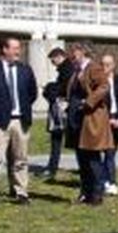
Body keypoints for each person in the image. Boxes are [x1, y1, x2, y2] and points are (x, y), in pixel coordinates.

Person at [0, 36, 39, 207]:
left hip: (20, 121)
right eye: (15, 48)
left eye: (19, 48)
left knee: (21, 159)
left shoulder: (25, 70)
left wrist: (22, 110)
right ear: (4, 49)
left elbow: (32, 94)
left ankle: (20, 192)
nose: (18, 51)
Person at [73, 49, 113, 205]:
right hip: (79, 120)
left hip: (92, 118)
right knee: (83, 158)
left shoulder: (94, 68)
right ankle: (86, 193)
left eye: (74, 53)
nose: (72, 56)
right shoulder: (77, 70)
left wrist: (88, 102)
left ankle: (97, 193)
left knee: (93, 158)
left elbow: (104, 86)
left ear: (83, 53)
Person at [99, 53, 118, 197]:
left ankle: (104, 179)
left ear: (113, 65)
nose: (105, 67)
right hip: (104, 121)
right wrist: (107, 119)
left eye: (108, 64)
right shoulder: (98, 81)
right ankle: (111, 182)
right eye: (103, 64)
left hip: (117, 120)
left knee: (111, 153)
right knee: (108, 153)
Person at [41, 46, 70, 180]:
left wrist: (49, 88)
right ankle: (52, 166)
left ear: (59, 57)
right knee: (57, 139)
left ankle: (52, 167)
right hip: (63, 108)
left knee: (57, 138)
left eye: (53, 61)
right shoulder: (66, 69)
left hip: (63, 110)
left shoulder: (67, 70)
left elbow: (63, 89)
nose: (53, 64)